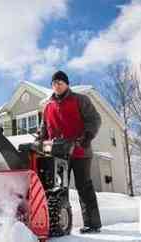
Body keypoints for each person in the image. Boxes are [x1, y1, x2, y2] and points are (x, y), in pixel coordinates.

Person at [38, 70, 102, 234]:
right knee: (59, 190)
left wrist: (87, 136)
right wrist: (39, 140)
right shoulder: (48, 107)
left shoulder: (80, 100)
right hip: (58, 154)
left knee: (83, 187)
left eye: (59, 83)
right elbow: (44, 129)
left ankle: (92, 224)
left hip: (80, 151)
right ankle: (61, 224)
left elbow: (94, 119)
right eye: (54, 84)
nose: (56, 86)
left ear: (67, 84)